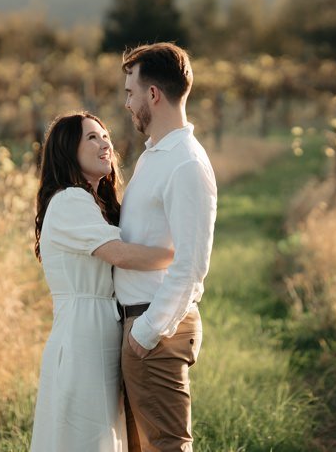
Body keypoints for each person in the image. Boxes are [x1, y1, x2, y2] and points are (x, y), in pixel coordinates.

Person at [30, 111, 176, 452]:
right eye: (91, 138)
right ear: (68, 151)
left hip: (98, 327)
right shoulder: (69, 200)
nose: (104, 143)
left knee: (100, 434)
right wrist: (180, 254)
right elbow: (121, 255)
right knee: (85, 436)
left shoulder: (94, 203)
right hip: (83, 333)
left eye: (105, 135)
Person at [115, 43, 217, 452]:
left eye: (130, 92)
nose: (127, 103)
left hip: (155, 330)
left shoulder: (186, 164)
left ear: (152, 95)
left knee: (168, 448)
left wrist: (146, 332)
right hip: (137, 324)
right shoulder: (153, 157)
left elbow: (192, 265)